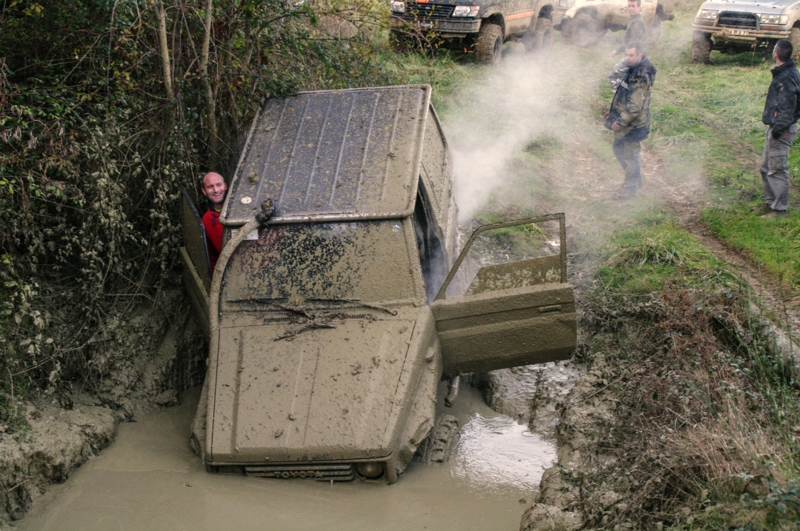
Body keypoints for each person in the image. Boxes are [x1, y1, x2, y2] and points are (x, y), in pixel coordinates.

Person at [605, 41, 656, 199]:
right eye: (626, 55)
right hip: (628, 122)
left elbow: (634, 107)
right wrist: (614, 113)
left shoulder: (639, 76)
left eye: (631, 55)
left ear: (639, 55)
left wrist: (619, 122)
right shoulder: (633, 69)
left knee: (631, 156)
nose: (627, 58)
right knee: (618, 149)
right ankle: (635, 180)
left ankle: (630, 191)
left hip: (632, 125)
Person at [758, 39, 800, 217]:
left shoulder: (786, 78)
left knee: (777, 169)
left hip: (781, 129)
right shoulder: (786, 72)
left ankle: (779, 209)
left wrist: (778, 129)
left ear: (776, 54)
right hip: (777, 127)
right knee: (766, 167)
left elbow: (788, 108)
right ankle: (770, 202)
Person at [608, 0, 647, 92]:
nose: (631, 8)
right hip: (634, 55)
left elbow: (633, 44)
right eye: (629, 6)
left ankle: (621, 98)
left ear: (639, 8)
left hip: (634, 57)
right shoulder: (634, 20)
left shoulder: (636, 24)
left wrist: (618, 51)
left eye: (633, 6)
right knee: (626, 79)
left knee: (614, 75)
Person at [200, 171, 227, 271]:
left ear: (225, 186)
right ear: (204, 191)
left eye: (219, 185)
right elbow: (211, 256)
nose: (216, 190)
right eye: (210, 187)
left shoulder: (240, 210)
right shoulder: (206, 221)